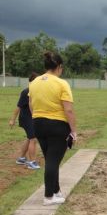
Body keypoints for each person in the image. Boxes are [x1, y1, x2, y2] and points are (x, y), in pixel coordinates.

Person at [29, 52, 77, 205]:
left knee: (51, 159)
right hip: (57, 125)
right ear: (59, 67)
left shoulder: (35, 82)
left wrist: (37, 117)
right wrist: (73, 130)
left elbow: (31, 105)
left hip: (38, 123)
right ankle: (48, 196)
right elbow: (68, 110)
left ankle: (56, 191)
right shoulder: (61, 83)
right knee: (53, 161)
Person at [9, 72, 40, 170]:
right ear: (32, 81)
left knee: (29, 138)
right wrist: (12, 120)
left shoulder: (36, 91)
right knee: (33, 139)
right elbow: (18, 107)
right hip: (26, 118)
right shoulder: (26, 92)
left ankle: (21, 158)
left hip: (32, 118)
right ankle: (32, 162)